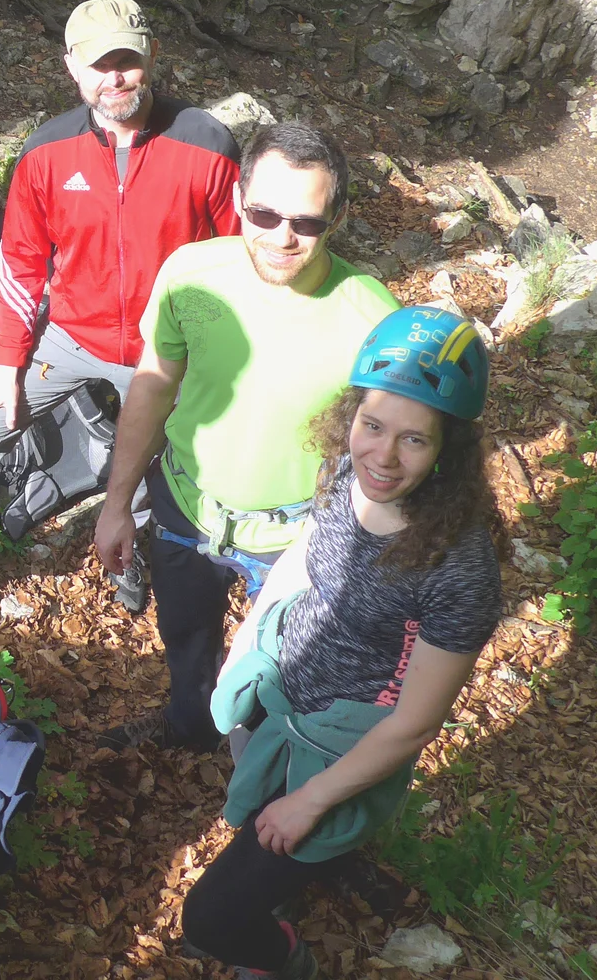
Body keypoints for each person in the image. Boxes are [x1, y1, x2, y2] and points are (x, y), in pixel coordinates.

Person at [0, 0, 239, 597]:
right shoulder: (45, 152)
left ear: (152, 55)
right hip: (70, 337)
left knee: (153, 459)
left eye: (127, 61)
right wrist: (8, 366)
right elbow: (19, 261)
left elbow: (235, 261)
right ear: (71, 66)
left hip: (168, 349)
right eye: (99, 64)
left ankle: (126, 548)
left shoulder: (206, 143)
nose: (114, 77)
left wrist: (215, 356)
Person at [180, 307, 502, 980]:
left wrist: (312, 799)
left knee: (209, 920)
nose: (382, 457)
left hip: (341, 745)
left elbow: (414, 724)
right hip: (281, 693)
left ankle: (285, 959)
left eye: (414, 441)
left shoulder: (458, 566)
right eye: (372, 426)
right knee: (262, 828)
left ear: (449, 449)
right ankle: (313, 865)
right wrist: (247, 647)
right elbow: (306, 555)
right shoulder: (346, 470)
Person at [91, 123, 398, 752]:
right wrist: (117, 504)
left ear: (336, 218)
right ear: (238, 200)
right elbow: (152, 385)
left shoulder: (372, 316)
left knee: (279, 673)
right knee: (184, 635)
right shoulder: (191, 274)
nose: (282, 236)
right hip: (184, 504)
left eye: (306, 222)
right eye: (264, 213)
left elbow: (388, 452)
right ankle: (187, 725)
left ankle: (261, 776)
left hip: (295, 536)